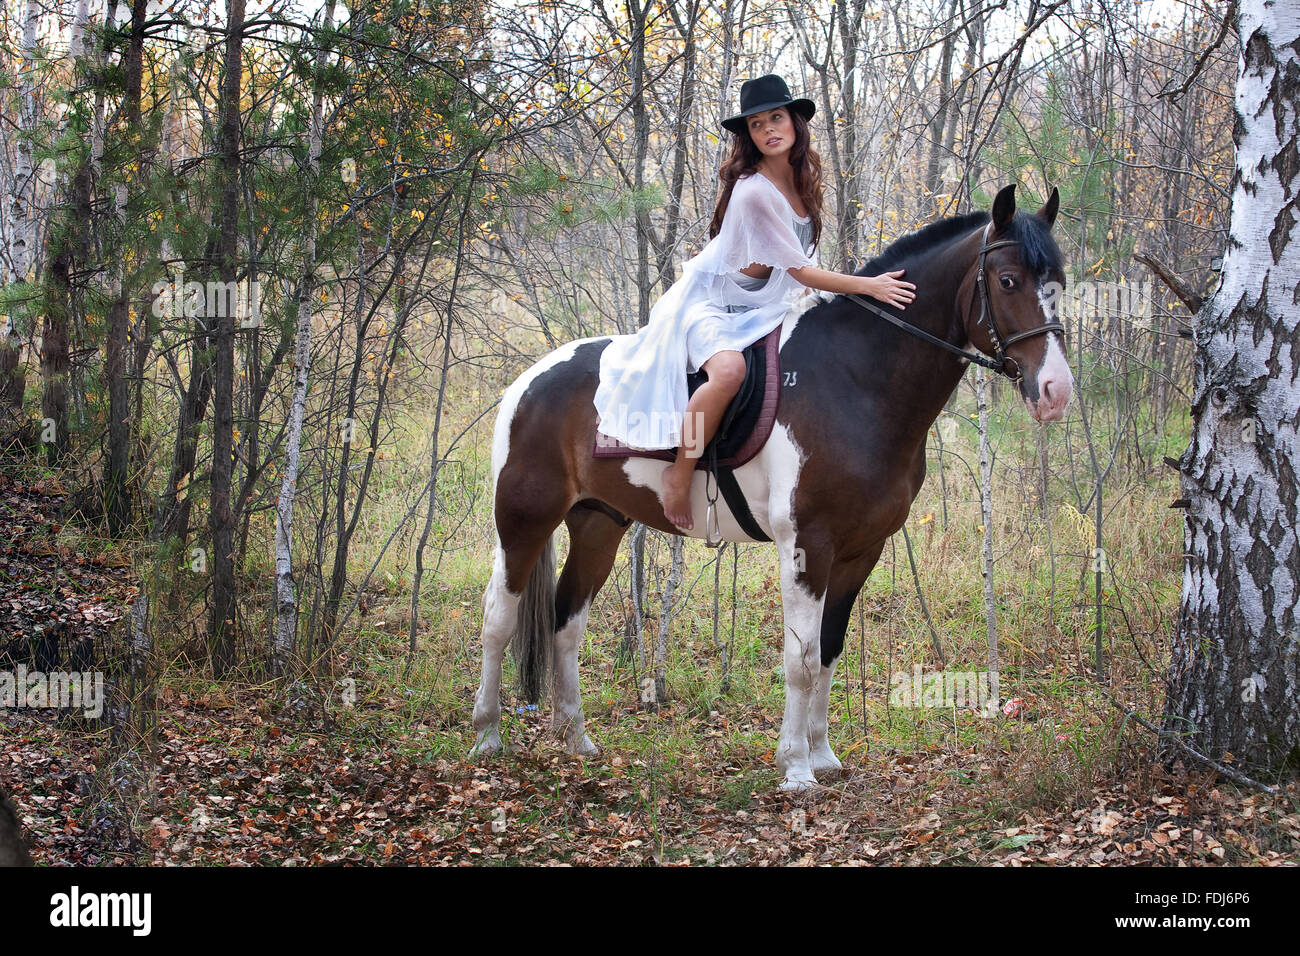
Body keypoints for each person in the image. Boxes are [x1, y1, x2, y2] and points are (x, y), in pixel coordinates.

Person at [592, 74, 916, 530]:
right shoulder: (753, 192)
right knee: (728, 372)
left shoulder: (801, 181)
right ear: (749, 135)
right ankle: (679, 473)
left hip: (762, 306)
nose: (768, 130)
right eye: (757, 125)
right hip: (712, 305)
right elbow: (801, 270)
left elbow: (798, 268)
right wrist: (870, 286)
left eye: (776, 118)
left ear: (795, 122)